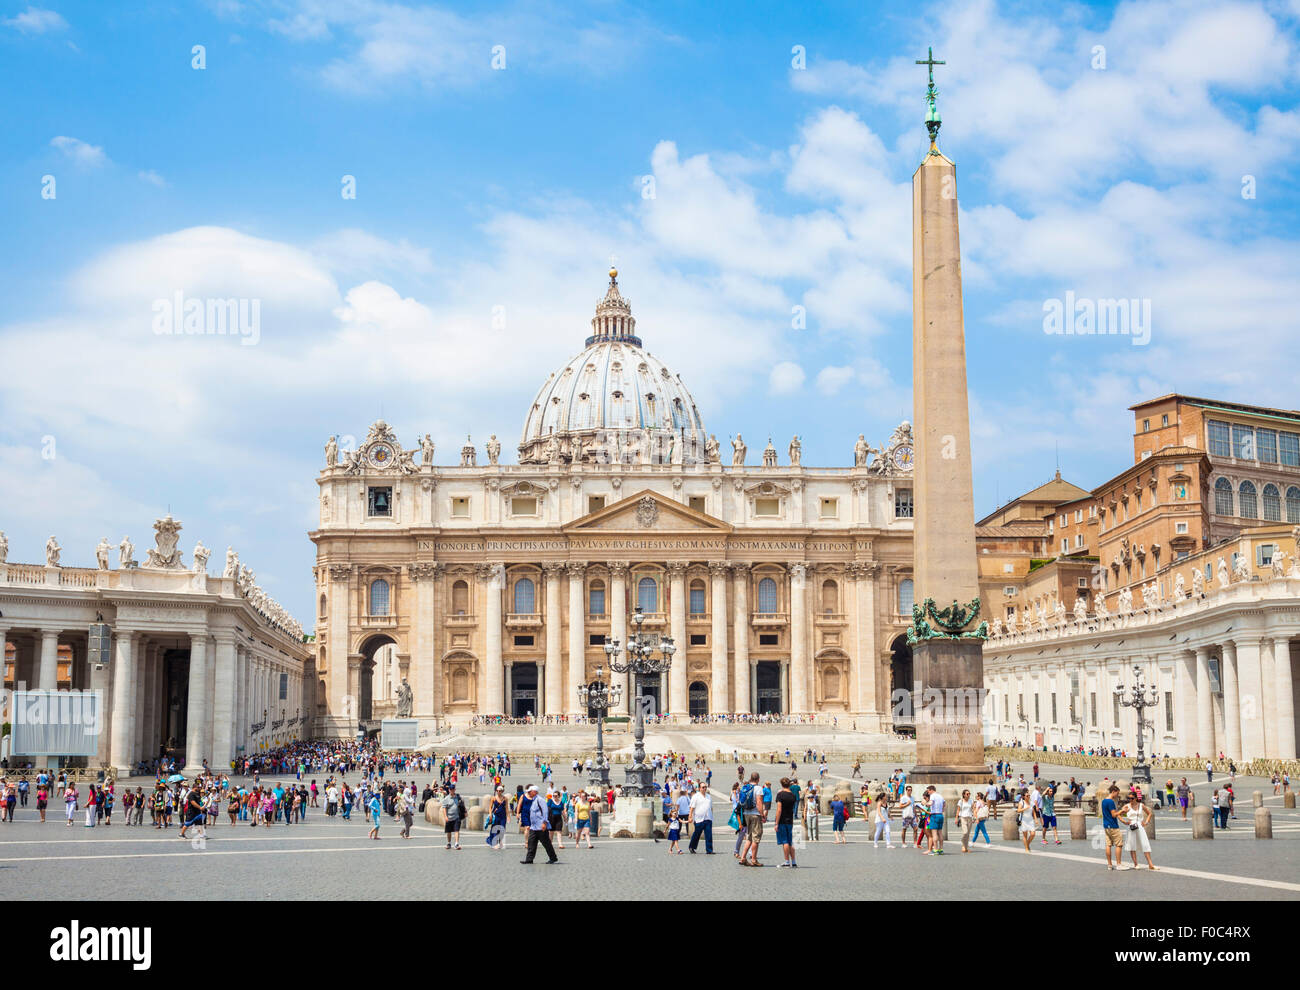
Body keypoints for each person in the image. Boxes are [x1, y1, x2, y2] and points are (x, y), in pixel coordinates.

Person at [520, 784, 558, 864]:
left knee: (546, 843)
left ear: (535, 792)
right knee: (531, 843)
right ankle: (529, 859)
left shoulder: (540, 800)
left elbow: (545, 812)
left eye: (530, 791)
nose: (529, 793)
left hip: (541, 826)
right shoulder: (533, 800)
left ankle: (553, 857)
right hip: (534, 827)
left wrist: (544, 823)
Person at [1122, 792, 1158, 871]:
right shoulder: (1126, 806)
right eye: (1129, 798)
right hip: (1131, 826)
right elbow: (1118, 814)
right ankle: (1136, 864)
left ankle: (1150, 864)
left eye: (1131, 798)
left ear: (1135, 798)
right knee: (1132, 845)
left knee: (1145, 844)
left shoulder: (1141, 805)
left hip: (1140, 826)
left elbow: (1149, 813)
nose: (1130, 800)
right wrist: (1124, 822)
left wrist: (1146, 822)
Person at [738, 771, 765, 867]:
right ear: (758, 779)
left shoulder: (745, 787)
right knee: (756, 838)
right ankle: (754, 859)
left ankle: (743, 858)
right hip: (755, 814)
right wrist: (762, 815)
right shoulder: (758, 788)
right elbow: (759, 802)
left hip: (746, 814)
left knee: (749, 836)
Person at [773, 778, 798, 868]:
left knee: (785, 842)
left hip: (782, 820)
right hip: (790, 820)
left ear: (782, 784)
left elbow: (779, 809)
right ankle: (794, 861)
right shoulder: (793, 795)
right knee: (790, 841)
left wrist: (776, 823)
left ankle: (787, 861)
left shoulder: (780, 795)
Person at [1101, 784, 1124, 870]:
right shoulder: (1111, 802)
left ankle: (1109, 865)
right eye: (1117, 793)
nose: (1117, 796)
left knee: (1108, 844)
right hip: (1113, 825)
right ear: (1113, 792)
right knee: (1119, 844)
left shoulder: (1103, 801)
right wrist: (1122, 811)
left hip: (1106, 825)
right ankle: (1118, 864)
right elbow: (1114, 815)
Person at [687, 784, 714, 854]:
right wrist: (690, 817)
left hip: (708, 818)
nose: (704, 788)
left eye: (705, 787)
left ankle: (709, 850)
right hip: (699, 819)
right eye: (703, 787)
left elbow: (711, 807)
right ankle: (692, 847)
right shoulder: (695, 796)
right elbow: (692, 807)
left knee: (709, 835)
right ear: (699, 788)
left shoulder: (709, 797)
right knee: (697, 834)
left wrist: (712, 815)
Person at [441, 783, 464, 849]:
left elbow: (461, 804)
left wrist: (464, 812)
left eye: (453, 789)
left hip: (457, 817)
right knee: (449, 831)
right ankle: (449, 843)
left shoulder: (458, 797)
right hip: (449, 817)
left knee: (457, 830)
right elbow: (444, 808)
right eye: (450, 789)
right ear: (449, 790)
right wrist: (445, 816)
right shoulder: (446, 798)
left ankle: (456, 843)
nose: (451, 791)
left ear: (454, 790)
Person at [1016, 788, 1035, 852]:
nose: (1029, 796)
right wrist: (1025, 808)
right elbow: (1018, 810)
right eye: (1027, 796)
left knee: (1033, 834)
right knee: (1025, 835)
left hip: (1030, 820)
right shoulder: (1021, 802)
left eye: (1029, 795)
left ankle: (1027, 844)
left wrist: (1036, 819)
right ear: (1024, 796)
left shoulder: (1031, 802)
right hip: (1024, 820)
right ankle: (1026, 848)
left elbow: (1033, 811)